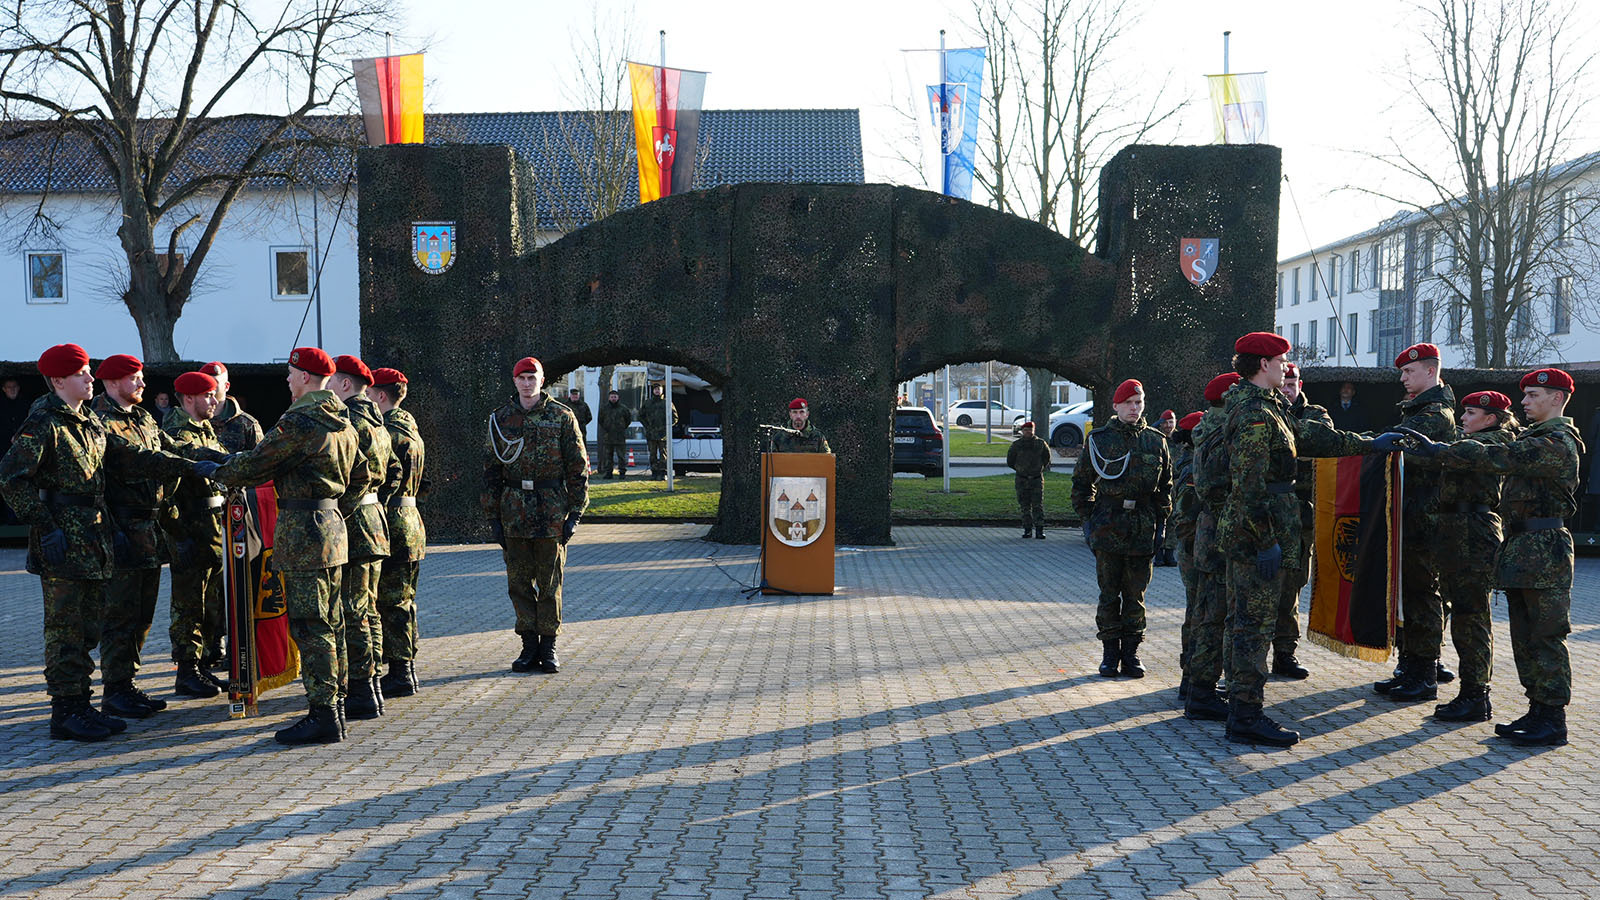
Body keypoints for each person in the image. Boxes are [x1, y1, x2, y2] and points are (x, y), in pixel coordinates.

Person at [0, 344, 199, 741]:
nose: (91, 378)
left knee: (89, 627)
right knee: (65, 630)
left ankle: (84, 703)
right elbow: (10, 479)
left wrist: (193, 465)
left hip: (94, 538)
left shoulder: (89, 421)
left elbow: (126, 461)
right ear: (59, 380)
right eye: (82, 373)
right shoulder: (44, 423)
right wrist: (44, 525)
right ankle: (65, 711)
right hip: (62, 541)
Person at [1387, 368, 1583, 746]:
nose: (1525, 401)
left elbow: (1502, 455)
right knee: (1525, 636)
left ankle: (1551, 717)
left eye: (1534, 395)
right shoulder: (1535, 437)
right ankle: (1537, 710)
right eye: (1525, 395)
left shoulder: (1557, 441)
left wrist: (1440, 449)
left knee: (1545, 635)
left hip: (1545, 546)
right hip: (1523, 544)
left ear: (1557, 398)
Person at [1218, 333, 1372, 746]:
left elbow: (1310, 438)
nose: (1287, 367)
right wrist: (1265, 541)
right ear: (1263, 364)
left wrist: (1369, 444)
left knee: (1247, 623)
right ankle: (1246, 716)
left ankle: (1241, 710)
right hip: (1256, 535)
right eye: (1282, 360)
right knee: (1253, 626)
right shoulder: (1254, 413)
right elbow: (1249, 487)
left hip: (1262, 528)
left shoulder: (1268, 406)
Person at [201, 347, 361, 745]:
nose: (287, 381)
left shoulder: (301, 420)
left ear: (305, 377)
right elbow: (362, 476)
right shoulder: (345, 419)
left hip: (302, 533)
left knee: (310, 625)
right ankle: (336, 706)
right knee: (332, 622)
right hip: (332, 529)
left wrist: (217, 468)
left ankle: (323, 715)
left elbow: (257, 464)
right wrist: (333, 510)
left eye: (290, 374)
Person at [91, 353, 224, 720]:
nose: (142, 383)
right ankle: (114, 689)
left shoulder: (143, 418)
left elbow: (171, 446)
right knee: (120, 615)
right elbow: (144, 458)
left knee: (141, 616)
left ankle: (127, 685)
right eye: (134, 377)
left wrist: (214, 458)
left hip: (147, 531)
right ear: (113, 382)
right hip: (121, 527)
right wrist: (195, 466)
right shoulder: (102, 420)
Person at [483, 357, 589, 675]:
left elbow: (578, 468)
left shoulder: (562, 416)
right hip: (514, 512)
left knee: (549, 584)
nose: (527, 383)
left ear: (542, 381)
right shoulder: (500, 418)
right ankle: (528, 646)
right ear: (514, 381)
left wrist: (576, 513)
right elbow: (491, 471)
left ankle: (549, 646)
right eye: (522, 378)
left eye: (533, 378)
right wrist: (493, 517)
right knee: (518, 584)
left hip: (551, 512)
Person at [1426, 390, 1519, 723]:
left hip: (1475, 533)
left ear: (1490, 418)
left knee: (1472, 618)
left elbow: (1464, 453)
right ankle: (1471, 693)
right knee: (1463, 615)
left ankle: (1475, 695)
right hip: (1457, 531)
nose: (1462, 418)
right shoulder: (1469, 440)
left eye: (1470, 413)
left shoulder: (1496, 442)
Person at [1072, 379, 1172, 679]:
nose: (1134, 408)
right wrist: (1089, 521)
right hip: (1108, 526)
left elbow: (1165, 489)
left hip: (1142, 527)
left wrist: (1161, 524)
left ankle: (1131, 653)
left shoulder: (1156, 441)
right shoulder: (1099, 440)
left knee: (1135, 595)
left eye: (1138, 403)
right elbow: (1081, 484)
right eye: (1128, 403)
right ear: (1116, 406)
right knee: (1108, 594)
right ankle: (1109, 654)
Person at [1376, 343, 1459, 701]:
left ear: (1430, 371)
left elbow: (1399, 448)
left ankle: (1424, 673)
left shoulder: (1435, 415)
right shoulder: (1418, 410)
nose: (1403, 379)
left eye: (1409, 372)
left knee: (1422, 595)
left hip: (1425, 518)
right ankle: (1410, 666)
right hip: (1410, 514)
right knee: (1408, 594)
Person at [161, 371, 230, 699]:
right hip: (190, 528)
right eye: (207, 395)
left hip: (213, 529)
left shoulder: (206, 429)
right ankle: (186, 671)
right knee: (189, 604)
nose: (214, 400)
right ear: (188, 398)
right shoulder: (176, 432)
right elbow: (166, 492)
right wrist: (178, 534)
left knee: (210, 603)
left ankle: (201, 666)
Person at [331, 355, 390, 720]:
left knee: (353, 612)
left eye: (331, 381)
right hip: (374, 519)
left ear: (345, 384)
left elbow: (351, 476)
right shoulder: (377, 421)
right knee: (367, 609)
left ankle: (362, 689)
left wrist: (337, 511)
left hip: (354, 522)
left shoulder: (350, 421)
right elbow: (391, 471)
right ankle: (373, 685)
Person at [1183, 373, 1242, 720]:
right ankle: (1202, 692)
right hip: (1221, 535)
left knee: (1207, 614)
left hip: (1209, 534)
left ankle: (1196, 687)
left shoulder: (1207, 429)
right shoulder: (1223, 433)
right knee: (1216, 617)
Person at [1272, 362, 1332, 681]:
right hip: (1269, 515)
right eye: (1283, 383)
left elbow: (1319, 443)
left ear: (1300, 384)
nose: (1286, 389)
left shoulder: (1316, 414)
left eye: (1291, 383)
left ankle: (1285, 652)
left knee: (1292, 585)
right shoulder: (1266, 412)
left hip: (1301, 515)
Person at [373, 367, 427, 698]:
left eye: (369, 393)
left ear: (381, 395)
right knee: (403, 600)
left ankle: (400, 672)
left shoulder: (388, 432)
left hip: (392, 520)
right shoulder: (410, 428)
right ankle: (405, 668)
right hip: (410, 519)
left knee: (393, 601)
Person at [201, 361, 264, 454]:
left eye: (214, 383)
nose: (208, 387)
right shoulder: (189, 420)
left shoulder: (247, 425)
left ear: (226, 386)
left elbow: (261, 459)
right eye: (204, 383)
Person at [1006, 420, 1051, 539]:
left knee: (1038, 505)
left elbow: (1046, 458)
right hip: (1022, 479)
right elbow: (1010, 461)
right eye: (1026, 430)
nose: (1028, 432)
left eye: (1030, 430)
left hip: (1036, 479)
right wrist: (1020, 469)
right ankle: (1027, 529)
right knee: (1024, 505)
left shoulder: (1040, 444)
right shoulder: (1017, 445)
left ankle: (1039, 529)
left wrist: (1038, 468)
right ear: (1022, 431)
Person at [0, 376, 32, 525]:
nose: (12, 390)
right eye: (9, 387)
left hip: (24, 453)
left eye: (14, 387)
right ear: (3, 389)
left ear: (19, 388)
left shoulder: (27, 406)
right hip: (3, 453)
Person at [1153, 409, 1178, 566]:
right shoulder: (1157, 439)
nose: (1169, 425)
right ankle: (1158, 553)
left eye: (1171, 422)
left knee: (1174, 520)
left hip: (1177, 485)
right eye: (1166, 422)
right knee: (1160, 518)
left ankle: (1170, 553)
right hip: (1161, 486)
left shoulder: (1180, 440)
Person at [639, 382, 676, 478]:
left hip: (663, 434)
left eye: (659, 389)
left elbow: (675, 417)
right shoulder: (648, 403)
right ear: (653, 391)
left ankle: (663, 473)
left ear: (662, 391)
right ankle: (654, 472)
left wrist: (667, 427)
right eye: (655, 389)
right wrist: (647, 426)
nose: (657, 391)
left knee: (664, 454)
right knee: (652, 454)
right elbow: (640, 416)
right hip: (651, 434)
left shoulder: (667, 402)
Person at [597, 389, 631, 479]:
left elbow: (628, 419)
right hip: (608, 436)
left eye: (615, 397)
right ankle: (608, 473)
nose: (613, 398)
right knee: (608, 456)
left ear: (618, 398)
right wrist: (606, 427)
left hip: (620, 436)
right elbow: (600, 420)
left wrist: (622, 427)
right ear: (609, 398)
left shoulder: (623, 408)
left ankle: (622, 473)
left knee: (621, 456)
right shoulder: (604, 408)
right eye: (612, 397)